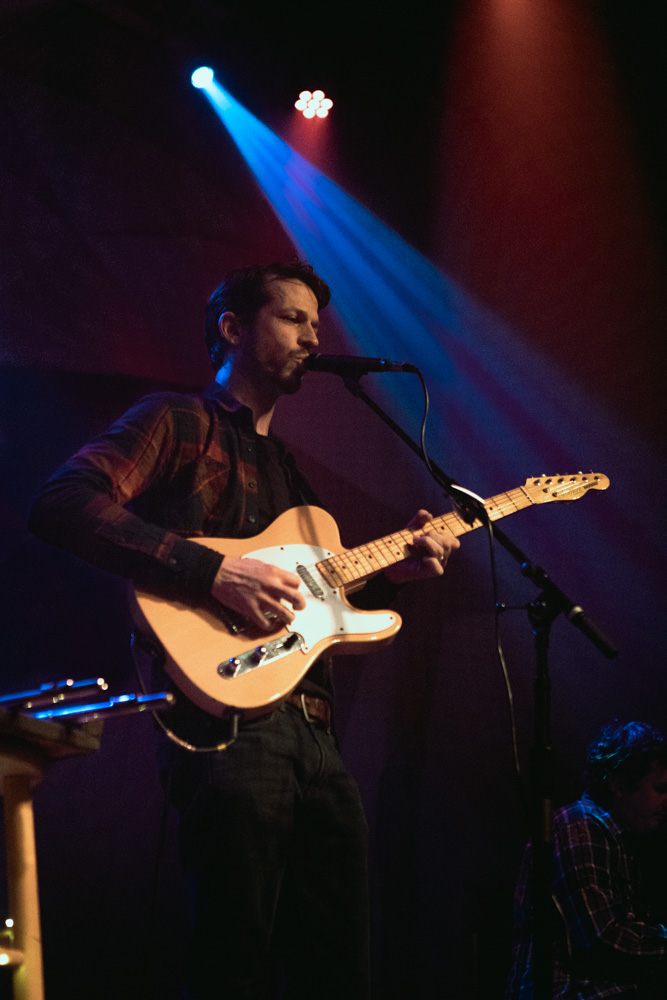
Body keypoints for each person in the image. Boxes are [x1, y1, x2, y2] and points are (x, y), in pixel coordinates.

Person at [28, 260, 459, 999]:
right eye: (293, 319)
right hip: (227, 727)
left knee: (340, 969)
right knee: (235, 961)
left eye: (316, 325)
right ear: (232, 328)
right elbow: (63, 502)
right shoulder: (178, 421)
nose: (313, 338)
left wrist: (398, 575)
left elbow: (316, 599)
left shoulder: (292, 476)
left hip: (317, 734)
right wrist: (213, 572)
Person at [506, 721, 667, 999]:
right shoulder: (581, 824)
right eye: (660, 789)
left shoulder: (620, 840)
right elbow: (604, 936)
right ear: (618, 785)